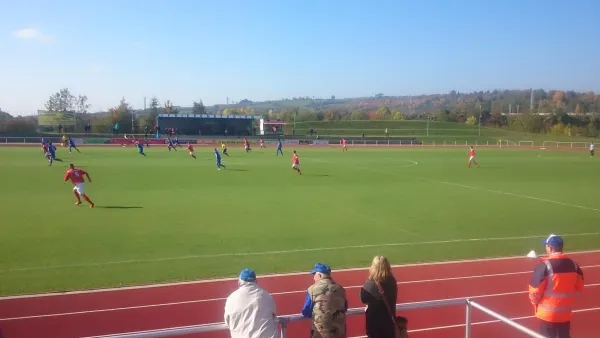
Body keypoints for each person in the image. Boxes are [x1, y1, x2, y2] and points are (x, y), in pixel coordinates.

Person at [529, 234, 584, 338]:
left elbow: (534, 292)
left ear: (550, 247)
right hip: (565, 315)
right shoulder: (574, 265)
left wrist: (536, 303)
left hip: (547, 315)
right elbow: (579, 289)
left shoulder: (544, 266)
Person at [224, 269, 279, 338]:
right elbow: (273, 315)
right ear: (256, 281)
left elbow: (228, 321)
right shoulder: (266, 295)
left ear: (239, 282)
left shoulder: (231, 298)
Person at [301, 263, 347, 338]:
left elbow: (306, 311)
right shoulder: (340, 289)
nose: (313, 278)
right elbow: (344, 307)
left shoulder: (312, 289)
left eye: (314, 275)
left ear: (319, 275)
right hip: (339, 332)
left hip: (321, 333)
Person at [360, 256, 399, 338]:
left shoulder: (371, 283)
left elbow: (363, 298)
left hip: (375, 324)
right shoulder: (392, 281)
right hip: (389, 321)